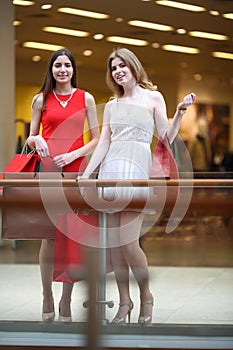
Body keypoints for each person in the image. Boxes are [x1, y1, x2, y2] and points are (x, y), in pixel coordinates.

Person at [78, 47, 196, 325]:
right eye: (114, 68)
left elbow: (165, 136)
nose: (118, 71)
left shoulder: (152, 97)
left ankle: (146, 296)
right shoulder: (112, 105)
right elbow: (105, 142)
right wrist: (89, 173)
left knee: (130, 244)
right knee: (116, 245)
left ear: (133, 67)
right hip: (110, 171)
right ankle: (124, 302)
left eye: (122, 66)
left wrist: (178, 113)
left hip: (137, 172)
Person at [27, 48, 100, 322]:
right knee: (48, 236)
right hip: (48, 170)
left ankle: (65, 300)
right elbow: (31, 137)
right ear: (51, 69)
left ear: (73, 69)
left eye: (67, 65)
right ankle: (46, 295)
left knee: (71, 237)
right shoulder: (40, 99)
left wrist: (74, 154)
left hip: (75, 170)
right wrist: (38, 140)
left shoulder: (86, 98)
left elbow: (96, 139)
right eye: (57, 65)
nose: (62, 70)